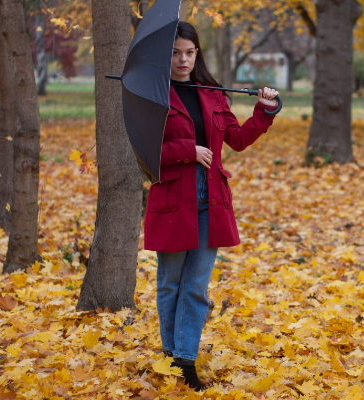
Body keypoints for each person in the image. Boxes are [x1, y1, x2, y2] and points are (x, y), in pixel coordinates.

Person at [143, 22, 279, 392]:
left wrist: (264, 112)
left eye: (189, 52)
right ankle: (170, 354)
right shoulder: (153, 95)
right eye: (174, 53)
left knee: (197, 286)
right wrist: (188, 151)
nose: (183, 60)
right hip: (172, 199)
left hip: (211, 198)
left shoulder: (213, 93)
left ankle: (186, 359)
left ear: (197, 54)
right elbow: (142, 153)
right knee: (170, 284)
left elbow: (235, 139)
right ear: (163, 56)